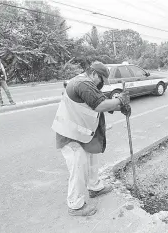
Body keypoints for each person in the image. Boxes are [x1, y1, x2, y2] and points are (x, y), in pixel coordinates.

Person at [51, 61, 131, 216]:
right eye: (101, 79)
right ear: (94, 74)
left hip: (82, 134)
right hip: (69, 135)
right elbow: (99, 105)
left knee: (92, 159)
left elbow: (101, 102)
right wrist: (120, 101)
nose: (102, 83)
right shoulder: (82, 83)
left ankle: (94, 187)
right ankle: (75, 205)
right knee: (78, 167)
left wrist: (119, 106)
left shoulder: (88, 84)